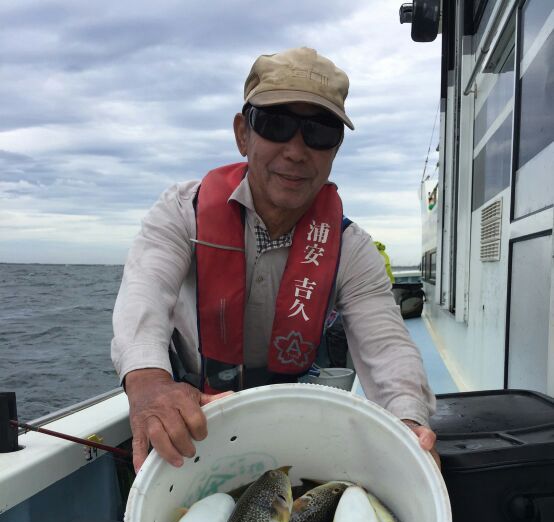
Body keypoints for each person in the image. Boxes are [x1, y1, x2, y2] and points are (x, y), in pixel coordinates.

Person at [111, 47, 438, 472]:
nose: (296, 151)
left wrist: (408, 422)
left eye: (320, 132)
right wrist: (149, 382)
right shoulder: (180, 213)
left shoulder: (352, 248)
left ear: (335, 149)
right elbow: (145, 293)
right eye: (276, 124)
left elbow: (387, 346)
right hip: (196, 415)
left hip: (290, 416)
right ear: (243, 134)